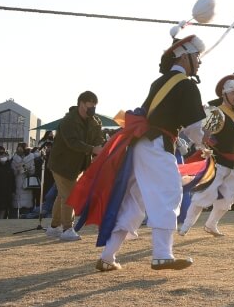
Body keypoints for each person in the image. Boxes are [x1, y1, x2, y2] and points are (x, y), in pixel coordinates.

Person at [71, 34, 208, 272]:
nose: (199, 61)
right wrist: (206, 142)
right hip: (157, 145)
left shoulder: (160, 82)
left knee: (134, 202)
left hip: (141, 146)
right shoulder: (186, 85)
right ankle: (162, 255)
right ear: (184, 57)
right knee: (168, 192)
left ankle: (108, 256)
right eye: (196, 56)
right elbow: (195, 128)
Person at [180, 74, 234, 236]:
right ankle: (186, 225)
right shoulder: (214, 111)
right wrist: (206, 138)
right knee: (204, 194)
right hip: (217, 161)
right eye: (233, 92)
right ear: (224, 93)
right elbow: (204, 135)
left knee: (229, 197)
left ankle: (211, 224)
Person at [47, 91, 105, 240]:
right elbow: (72, 142)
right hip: (62, 164)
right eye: (90, 103)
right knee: (70, 195)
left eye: (94, 104)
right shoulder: (68, 121)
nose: (93, 106)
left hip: (77, 165)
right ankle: (67, 229)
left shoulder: (95, 121)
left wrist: (99, 149)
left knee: (62, 195)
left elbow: (98, 138)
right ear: (81, 104)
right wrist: (92, 149)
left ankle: (54, 227)